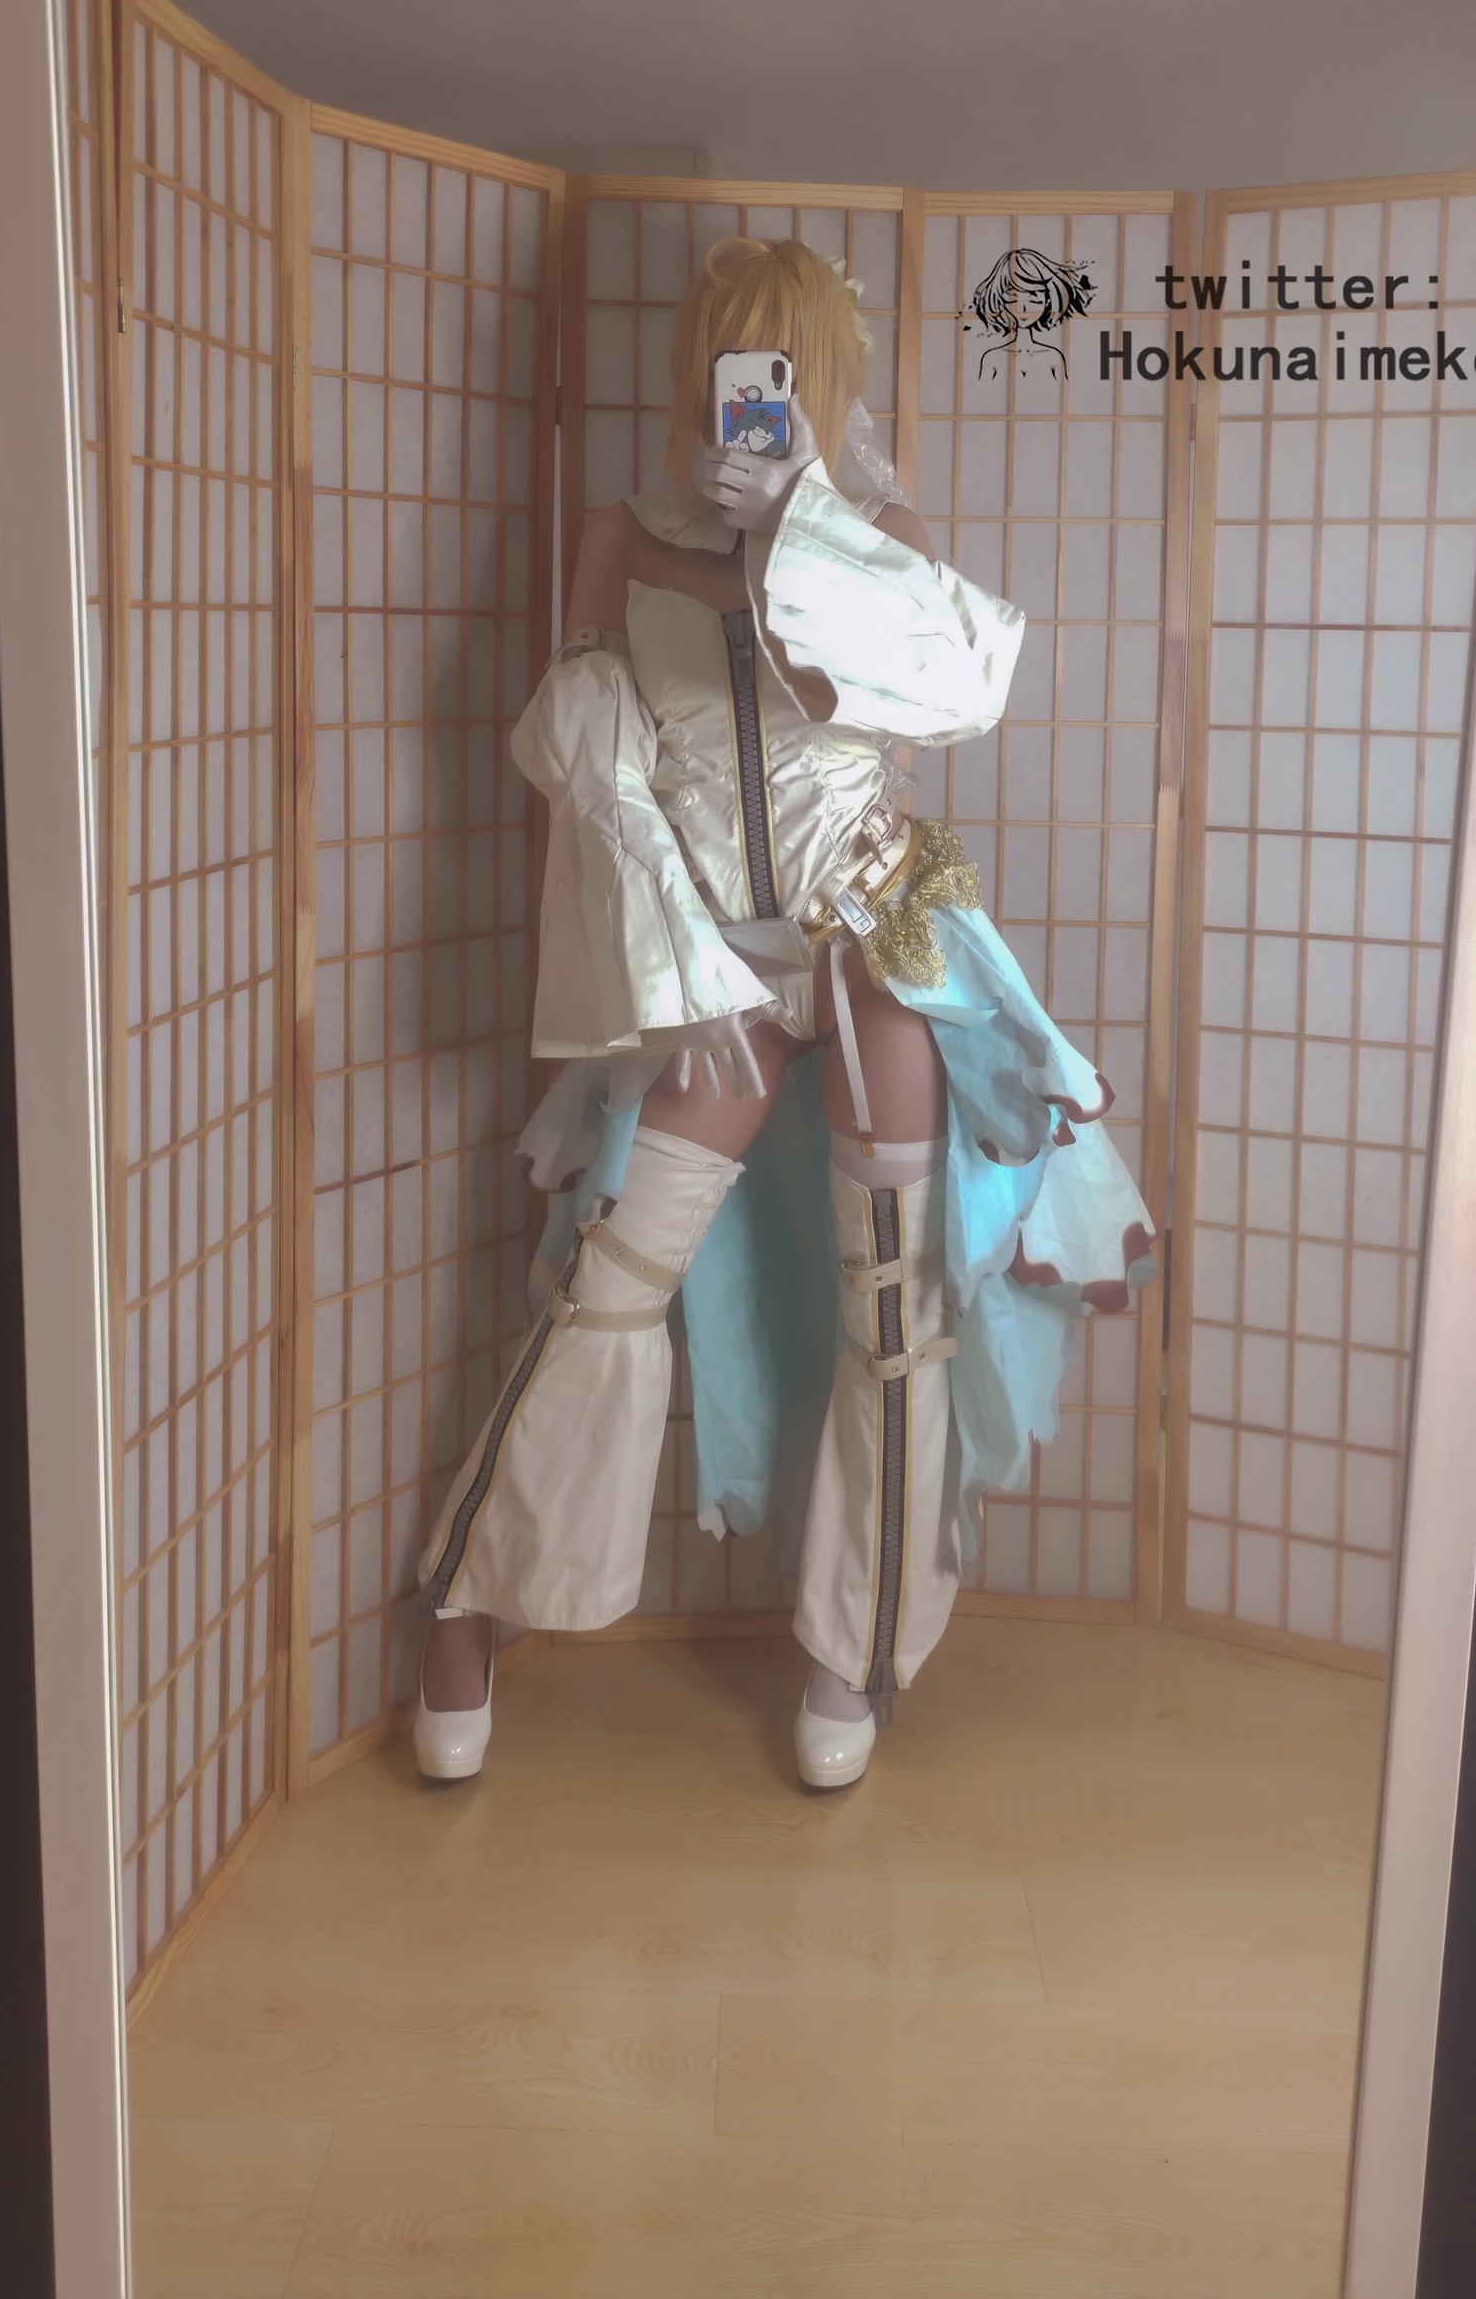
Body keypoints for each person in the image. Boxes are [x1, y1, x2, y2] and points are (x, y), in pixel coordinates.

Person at [415, 237, 1156, 1790]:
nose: (744, 389)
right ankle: (468, 1598)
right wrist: (669, 948)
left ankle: (855, 1642)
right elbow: (586, 753)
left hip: (878, 932)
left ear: (819, 378)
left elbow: (944, 696)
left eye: (778, 363)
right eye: (726, 357)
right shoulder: (615, 533)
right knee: (609, 1274)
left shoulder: (878, 540)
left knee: (893, 1305)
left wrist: (800, 532)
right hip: (714, 961)